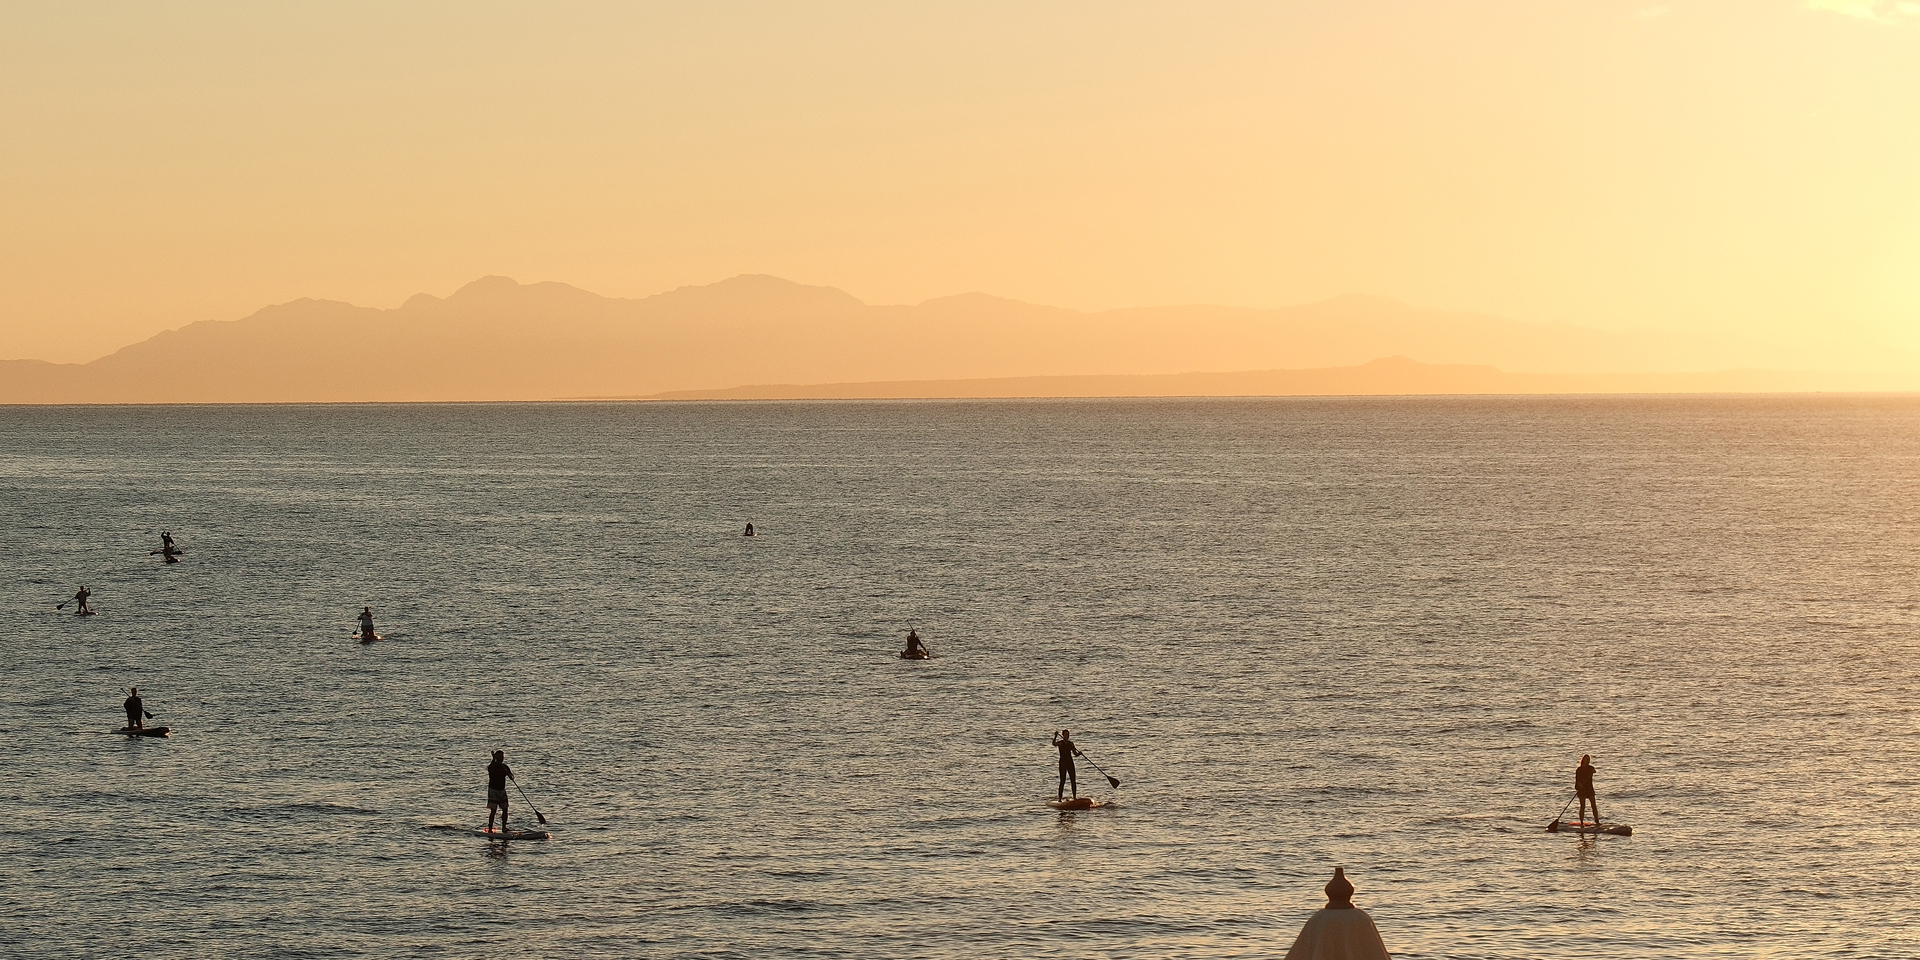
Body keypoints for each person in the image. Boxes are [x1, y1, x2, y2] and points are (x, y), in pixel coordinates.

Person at [487, 750, 515, 831]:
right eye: (499, 757)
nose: (501, 758)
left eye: (502, 757)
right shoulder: (492, 766)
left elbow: (511, 776)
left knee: (505, 809)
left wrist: (510, 775)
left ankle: (504, 827)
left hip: (502, 790)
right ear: (496, 757)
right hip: (493, 790)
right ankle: (490, 828)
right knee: (493, 810)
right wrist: (493, 760)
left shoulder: (505, 767)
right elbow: (490, 770)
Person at [1053, 729, 1083, 800]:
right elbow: (1054, 744)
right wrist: (1055, 736)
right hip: (1063, 763)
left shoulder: (1071, 744)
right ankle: (1060, 798)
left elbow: (1075, 754)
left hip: (1070, 763)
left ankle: (1074, 797)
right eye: (1066, 734)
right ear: (1063, 735)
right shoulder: (1060, 743)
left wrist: (1079, 754)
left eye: (1068, 735)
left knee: (1073, 780)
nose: (1067, 736)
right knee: (1062, 781)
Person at [1575, 754, 1601, 825]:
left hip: (1589, 789)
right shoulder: (1579, 770)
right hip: (1582, 790)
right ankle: (1581, 822)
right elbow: (1577, 780)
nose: (1587, 762)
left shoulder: (1590, 768)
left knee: (1593, 805)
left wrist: (1592, 771)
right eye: (1586, 760)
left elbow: (1594, 770)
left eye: (1588, 760)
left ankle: (1597, 821)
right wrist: (1580, 785)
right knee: (1582, 806)